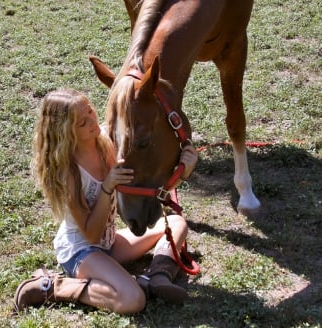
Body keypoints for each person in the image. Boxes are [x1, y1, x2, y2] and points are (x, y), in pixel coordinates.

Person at [14, 89, 198, 314]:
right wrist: (106, 187)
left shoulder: (106, 141)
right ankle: (52, 286)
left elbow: (144, 191)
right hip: (81, 251)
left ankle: (157, 277)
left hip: (109, 243)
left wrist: (184, 171)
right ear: (66, 132)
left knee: (177, 223)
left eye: (90, 111)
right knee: (132, 301)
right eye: (82, 123)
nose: (92, 121)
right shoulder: (69, 173)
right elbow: (91, 234)